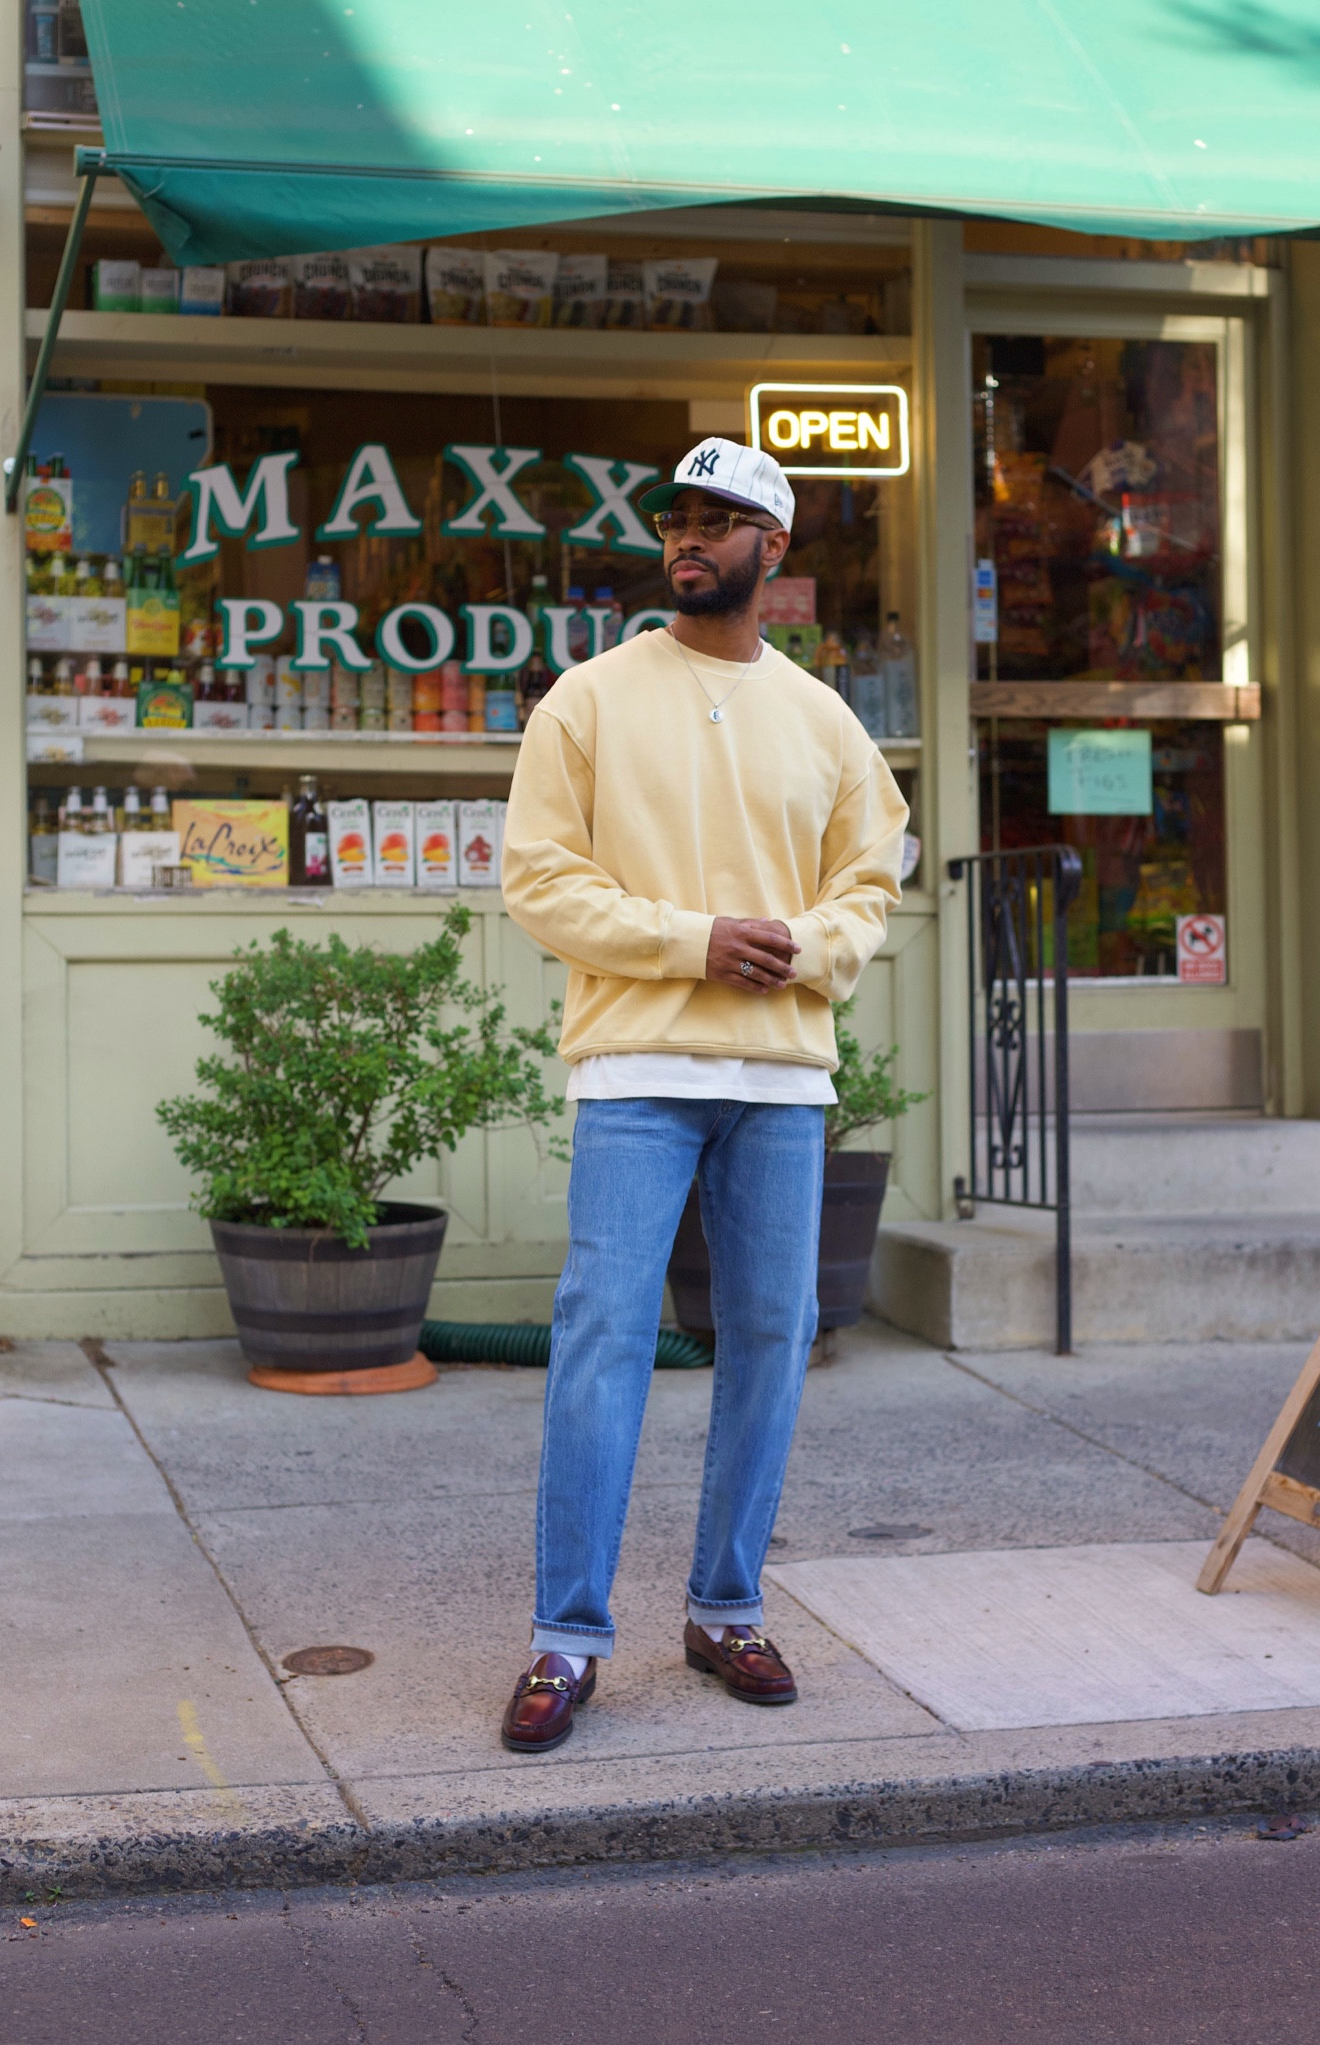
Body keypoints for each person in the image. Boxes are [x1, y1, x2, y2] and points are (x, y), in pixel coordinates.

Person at [496, 437, 908, 1753]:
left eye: (724, 519)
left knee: (771, 1342)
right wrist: (695, 939)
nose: (692, 535)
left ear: (774, 551)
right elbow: (541, 881)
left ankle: (725, 1605)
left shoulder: (827, 722)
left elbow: (870, 879)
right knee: (602, 1339)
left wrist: (816, 952)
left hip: (780, 1080)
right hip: (637, 1071)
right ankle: (568, 1634)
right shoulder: (591, 701)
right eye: (679, 515)